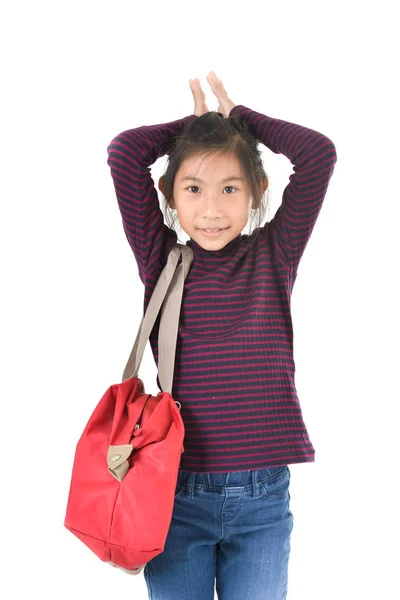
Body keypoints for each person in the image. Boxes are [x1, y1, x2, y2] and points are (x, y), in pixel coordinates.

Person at [107, 70, 337, 600]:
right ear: (170, 194)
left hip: (262, 499)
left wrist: (238, 119)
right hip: (174, 493)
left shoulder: (274, 254)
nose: (211, 209)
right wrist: (193, 127)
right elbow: (124, 153)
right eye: (193, 189)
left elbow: (318, 153)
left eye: (230, 189)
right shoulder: (160, 256)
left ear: (256, 194)